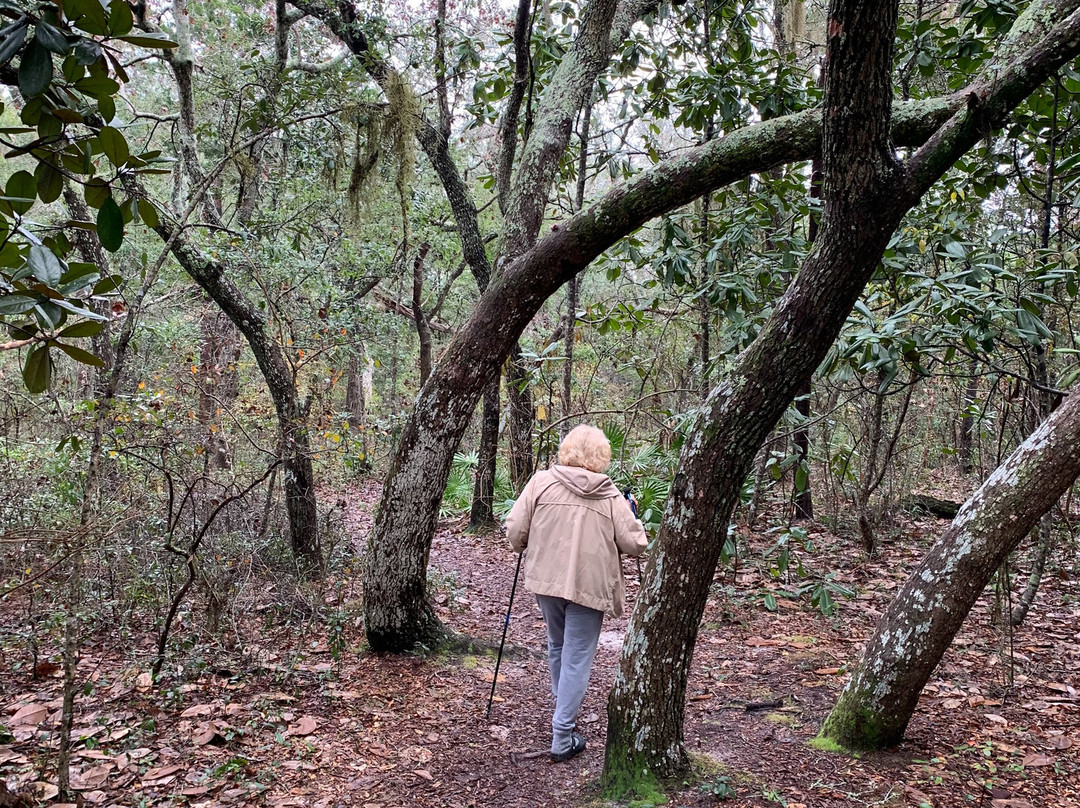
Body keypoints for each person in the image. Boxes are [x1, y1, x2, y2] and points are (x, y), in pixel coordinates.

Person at [505, 424, 648, 762]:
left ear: (566, 450)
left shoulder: (541, 482)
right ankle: (562, 735)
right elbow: (635, 544)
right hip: (589, 584)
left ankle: (562, 714)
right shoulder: (611, 494)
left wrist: (523, 542)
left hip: (547, 581)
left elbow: (514, 530)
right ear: (601, 456)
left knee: (558, 646)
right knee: (576, 657)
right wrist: (633, 513)